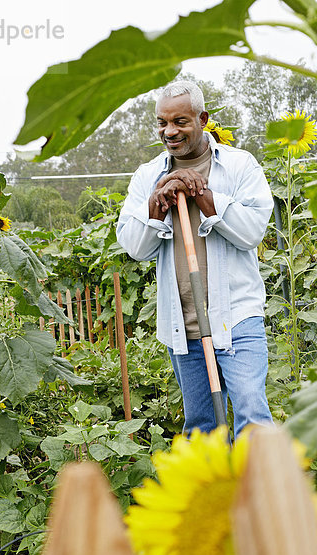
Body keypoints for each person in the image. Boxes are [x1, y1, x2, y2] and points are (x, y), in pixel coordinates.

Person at [116, 80, 274, 438]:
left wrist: (203, 196)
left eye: (180, 122)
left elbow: (251, 232)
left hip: (237, 317)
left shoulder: (238, 166)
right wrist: (157, 200)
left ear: (202, 119)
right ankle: (213, 493)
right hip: (182, 324)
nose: (169, 131)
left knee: (252, 415)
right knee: (201, 427)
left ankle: (265, 493)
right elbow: (135, 247)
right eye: (162, 122)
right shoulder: (147, 177)